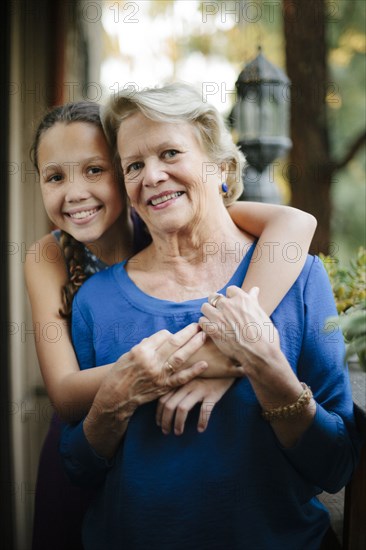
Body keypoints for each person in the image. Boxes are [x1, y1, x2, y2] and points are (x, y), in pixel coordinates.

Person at [59, 83, 360, 550]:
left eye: (170, 153)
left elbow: (337, 465)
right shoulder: (95, 301)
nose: (152, 175)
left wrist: (265, 369)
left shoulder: (299, 278)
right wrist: (112, 403)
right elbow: (77, 467)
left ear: (220, 165)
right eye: (134, 165)